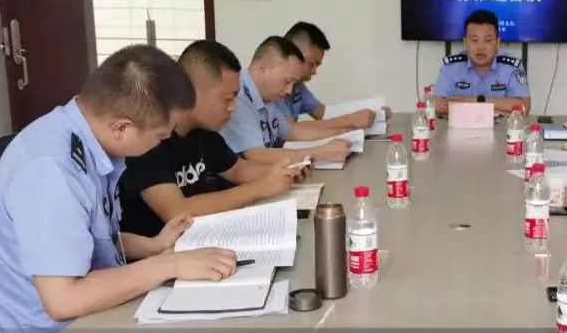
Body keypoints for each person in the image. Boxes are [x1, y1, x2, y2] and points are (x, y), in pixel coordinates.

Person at [0, 45, 238, 333]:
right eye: (160, 136)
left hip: (88, 315)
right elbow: (63, 300)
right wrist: (169, 265)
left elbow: (85, 236)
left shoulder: (87, 137)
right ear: (122, 128)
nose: (161, 145)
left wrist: (153, 246)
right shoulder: (52, 171)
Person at [119, 40, 312, 238]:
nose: (233, 108)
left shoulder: (204, 132)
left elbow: (237, 170)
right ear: (190, 92)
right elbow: (177, 211)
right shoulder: (148, 139)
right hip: (159, 251)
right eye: (228, 98)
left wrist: (285, 171)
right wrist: (259, 188)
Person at [219, 36, 351, 164]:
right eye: (287, 81)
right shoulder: (238, 97)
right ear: (263, 68)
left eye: (293, 83)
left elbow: (291, 131)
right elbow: (257, 155)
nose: (289, 91)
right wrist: (321, 153)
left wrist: (341, 134)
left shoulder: (267, 95)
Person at [278, 21, 388, 130]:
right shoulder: (273, 87)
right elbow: (289, 130)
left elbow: (323, 113)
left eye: (317, 65)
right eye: (312, 64)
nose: (314, 71)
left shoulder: (298, 86)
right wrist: (351, 120)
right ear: (293, 54)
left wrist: (376, 113)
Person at [433, 9, 531, 116]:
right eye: (474, 40)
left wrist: (476, 101)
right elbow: (438, 105)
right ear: (465, 43)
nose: (480, 47)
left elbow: (524, 106)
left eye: (488, 40)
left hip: (500, 127)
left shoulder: (512, 67)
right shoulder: (451, 66)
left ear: (497, 43)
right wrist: (496, 111)